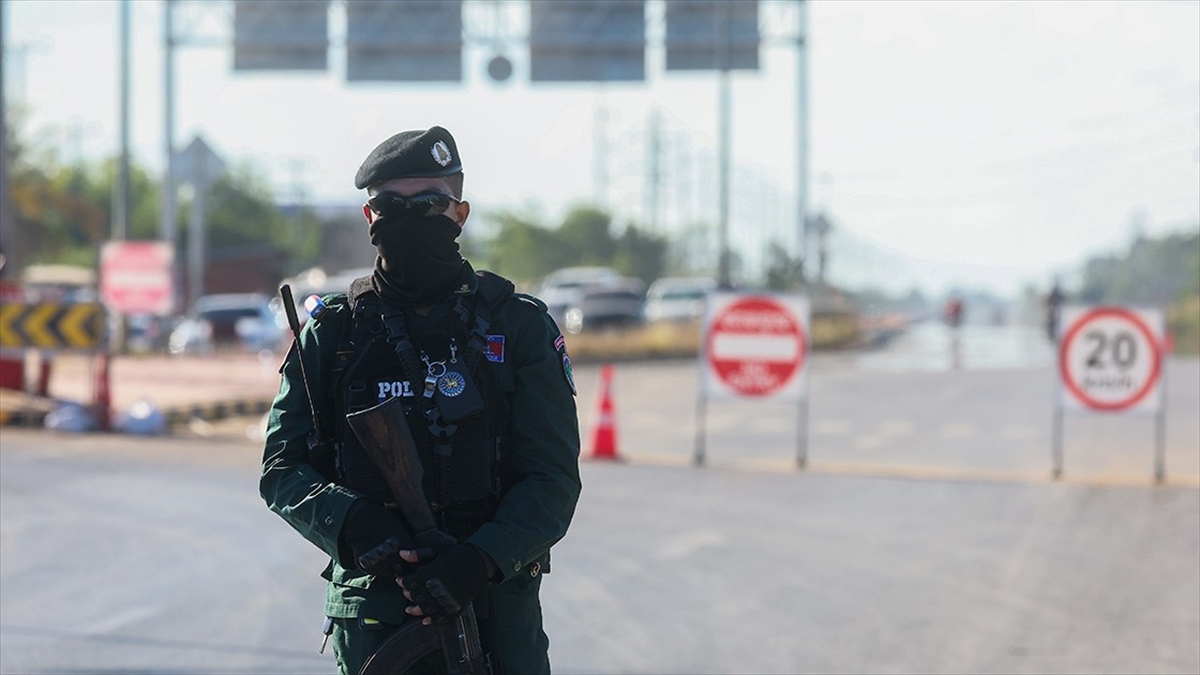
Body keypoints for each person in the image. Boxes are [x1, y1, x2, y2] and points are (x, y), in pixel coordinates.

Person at [260, 126, 582, 675]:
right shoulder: (335, 334)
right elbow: (282, 468)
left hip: (493, 611)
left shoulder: (518, 326)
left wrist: (481, 559)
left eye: (430, 204)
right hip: (374, 616)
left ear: (459, 214)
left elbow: (551, 480)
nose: (408, 217)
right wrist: (355, 523)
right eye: (390, 204)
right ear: (369, 217)